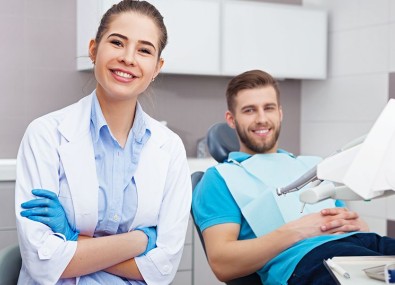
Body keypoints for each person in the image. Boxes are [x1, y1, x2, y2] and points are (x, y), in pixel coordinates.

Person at [15, 1, 191, 284]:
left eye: (144, 50)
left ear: (157, 67)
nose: (129, 58)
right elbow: (42, 263)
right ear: (94, 50)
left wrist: (74, 241)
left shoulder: (169, 148)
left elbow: (162, 270)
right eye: (118, 42)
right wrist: (140, 241)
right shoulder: (46, 135)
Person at [192, 69, 395, 285]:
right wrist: (298, 230)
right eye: (250, 110)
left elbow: (341, 221)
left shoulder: (313, 165)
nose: (262, 119)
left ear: (279, 113)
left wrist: (358, 225)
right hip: (310, 261)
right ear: (231, 120)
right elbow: (222, 264)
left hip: (368, 243)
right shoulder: (219, 178)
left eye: (268, 108)